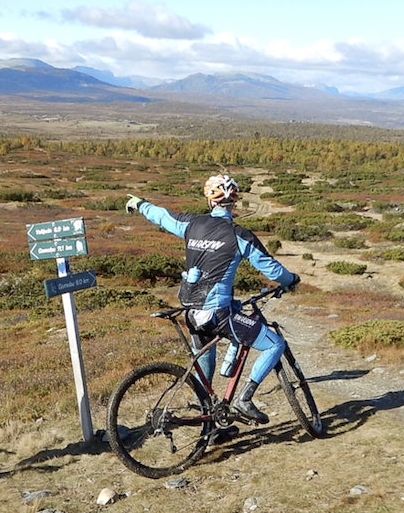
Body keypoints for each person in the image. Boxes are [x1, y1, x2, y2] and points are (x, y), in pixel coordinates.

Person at [126, 174, 300, 425]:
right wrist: (291, 279)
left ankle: (209, 427)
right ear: (234, 203)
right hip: (217, 314)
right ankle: (245, 399)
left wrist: (140, 204)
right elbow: (273, 271)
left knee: (204, 369)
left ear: (210, 201)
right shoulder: (239, 234)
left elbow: (162, 215)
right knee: (275, 344)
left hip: (192, 312)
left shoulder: (191, 223)